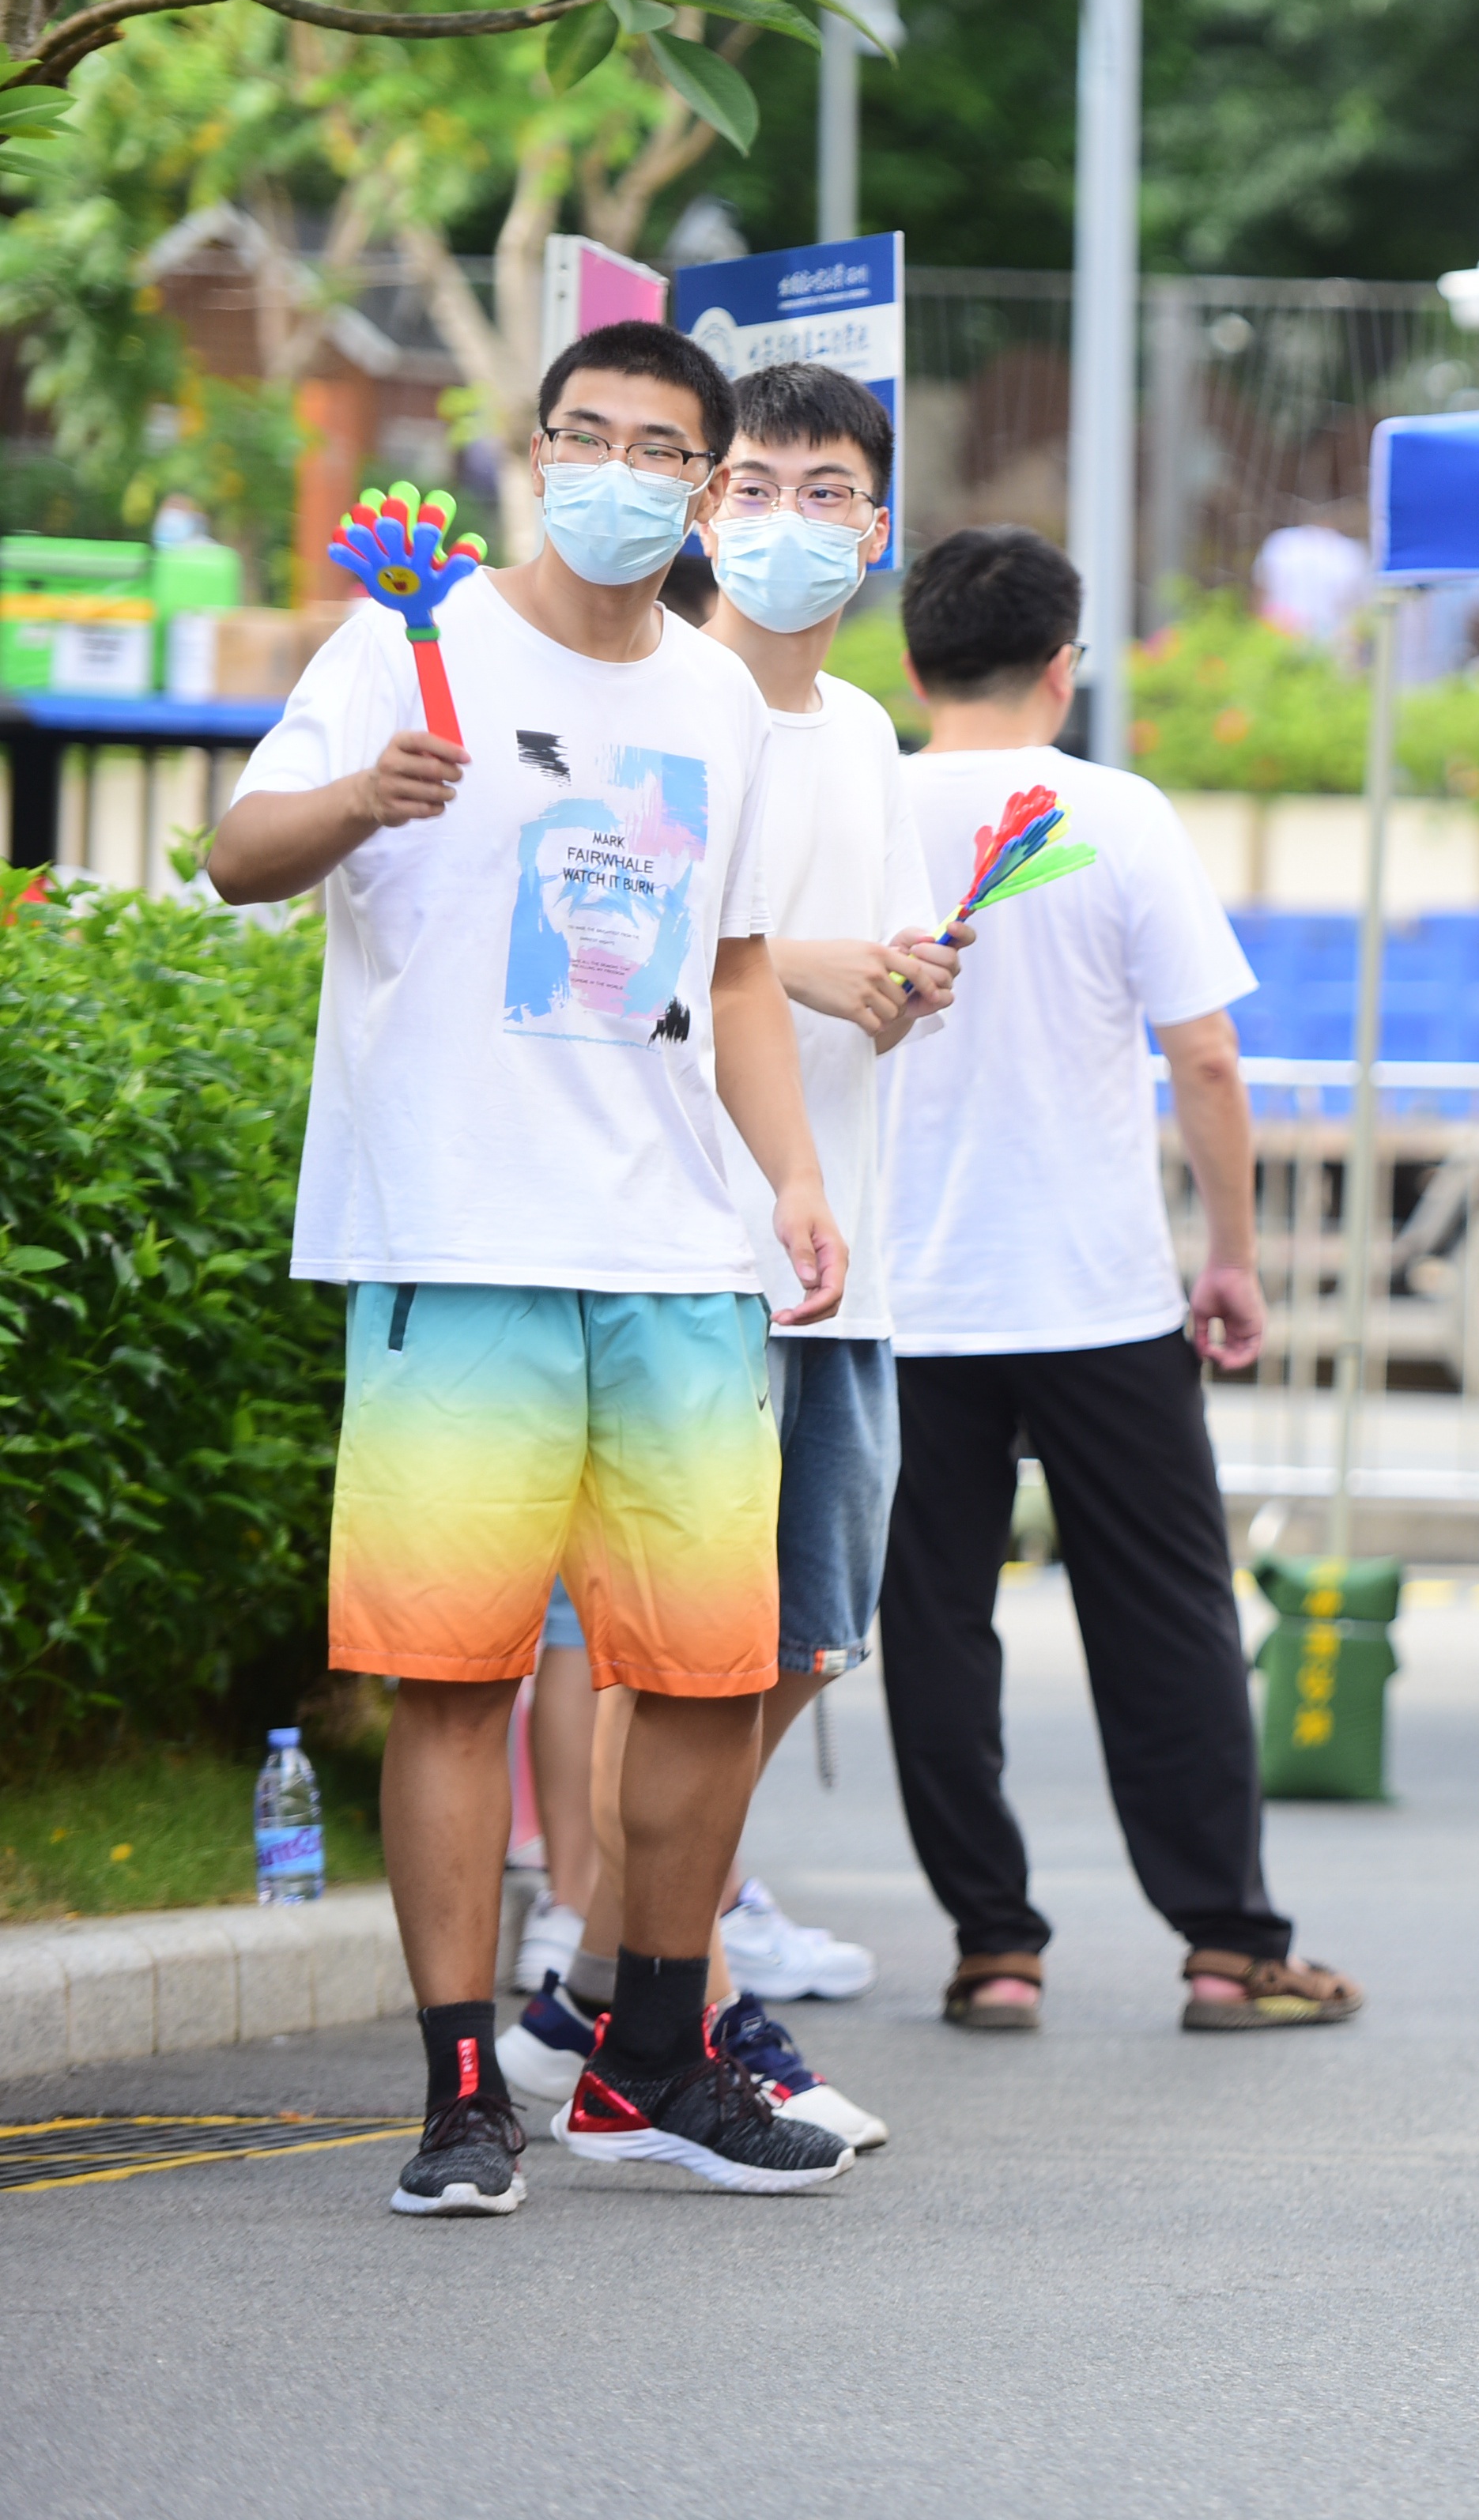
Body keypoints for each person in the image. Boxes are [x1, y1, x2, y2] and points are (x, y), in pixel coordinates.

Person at [209, 316, 858, 2215]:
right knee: (451, 1676)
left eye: (667, 451)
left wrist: (795, 1175)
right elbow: (242, 851)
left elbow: (735, 966)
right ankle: (457, 2085)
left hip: (676, 1249)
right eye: (593, 437)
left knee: (714, 1672)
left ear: (701, 485)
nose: (624, 473)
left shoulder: (719, 704)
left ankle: (650, 2050)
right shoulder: (410, 647)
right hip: (460, 1237)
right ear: (537, 446)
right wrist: (363, 800)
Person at [500, 364, 959, 2151]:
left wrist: (894, 992)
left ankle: (602, 1989)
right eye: (752, 483)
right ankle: (645, 1999)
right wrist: (821, 967)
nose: (786, 519)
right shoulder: (655, 706)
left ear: (878, 522)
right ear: (703, 511)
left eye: (827, 489)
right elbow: (615, 967)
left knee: (796, 1649)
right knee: (669, 1653)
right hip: (683, 1246)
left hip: (841, 1250)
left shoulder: (857, 734)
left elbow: (828, 983)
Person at [872, 527, 1364, 2038]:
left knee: (936, 1621)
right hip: (1096, 1290)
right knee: (1165, 1619)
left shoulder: (856, 804)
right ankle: (1228, 1944)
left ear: (911, 662)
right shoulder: (1117, 812)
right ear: (1064, 668)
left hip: (908, 1295)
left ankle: (992, 1945)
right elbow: (1204, 1053)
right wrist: (1233, 1254)